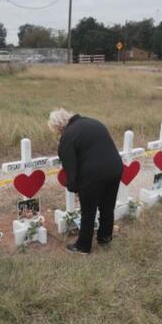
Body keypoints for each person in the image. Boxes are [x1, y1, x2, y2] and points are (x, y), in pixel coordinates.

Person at [49, 108, 123, 254]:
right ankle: (105, 238)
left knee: (88, 211)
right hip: (115, 168)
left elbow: (70, 166)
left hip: (94, 174)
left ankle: (83, 246)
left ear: (59, 127)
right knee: (107, 206)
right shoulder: (93, 122)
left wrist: (74, 187)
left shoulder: (68, 136)